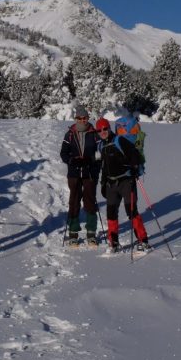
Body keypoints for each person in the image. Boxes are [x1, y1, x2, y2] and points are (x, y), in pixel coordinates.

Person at [95, 117, 150, 252]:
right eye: (99, 130)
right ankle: (113, 243)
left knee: (131, 211)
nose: (103, 132)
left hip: (126, 181)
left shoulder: (119, 140)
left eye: (105, 129)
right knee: (111, 213)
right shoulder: (101, 146)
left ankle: (143, 241)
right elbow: (104, 167)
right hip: (111, 184)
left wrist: (133, 167)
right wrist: (103, 184)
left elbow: (134, 155)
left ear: (109, 128)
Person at [59, 106, 100, 246]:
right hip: (74, 173)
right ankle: (73, 234)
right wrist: (71, 160)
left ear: (88, 119)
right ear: (76, 119)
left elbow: (100, 153)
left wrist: (91, 160)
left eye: (85, 118)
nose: (83, 121)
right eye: (80, 118)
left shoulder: (94, 134)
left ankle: (91, 234)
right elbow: (63, 153)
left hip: (89, 173)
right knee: (74, 202)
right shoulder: (69, 134)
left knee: (90, 202)